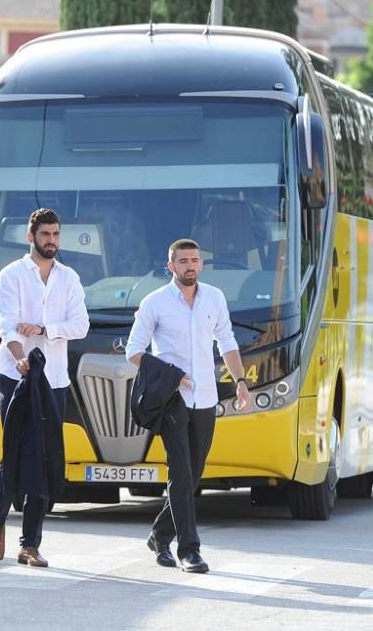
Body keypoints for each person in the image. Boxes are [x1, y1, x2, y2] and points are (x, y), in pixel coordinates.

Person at [126, 238, 252, 574]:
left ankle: (159, 533)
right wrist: (172, 375)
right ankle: (189, 550)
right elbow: (134, 350)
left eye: (195, 260)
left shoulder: (214, 297)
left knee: (193, 474)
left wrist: (240, 382)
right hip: (172, 399)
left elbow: (226, 340)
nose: (190, 266)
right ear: (171, 266)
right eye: (183, 261)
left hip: (206, 398)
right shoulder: (155, 303)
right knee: (180, 474)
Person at [0, 207, 88, 568]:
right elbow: (8, 326)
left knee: (43, 456)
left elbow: (81, 325)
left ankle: (30, 544)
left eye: (56, 235)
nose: (51, 241)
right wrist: (20, 357)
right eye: (45, 235)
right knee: (16, 449)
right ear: (31, 237)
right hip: (15, 374)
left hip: (54, 377)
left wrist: (45, 329)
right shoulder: (11, 275)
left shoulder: (69, 278)